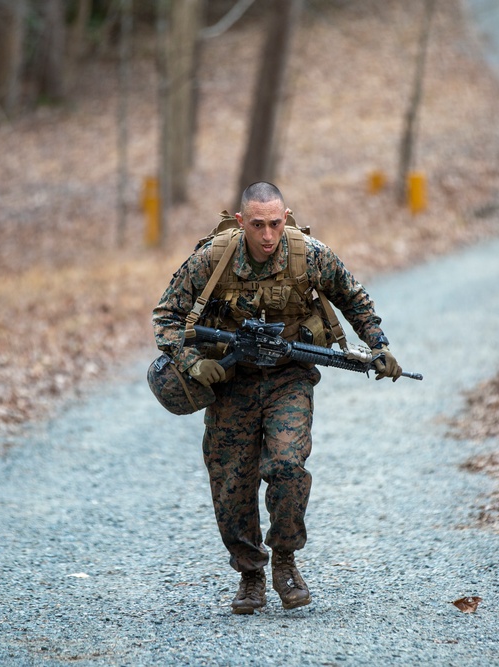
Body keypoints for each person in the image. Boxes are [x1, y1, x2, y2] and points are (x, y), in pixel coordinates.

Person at [151, 182, 403, 615]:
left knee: (287, 466)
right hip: (232, 381)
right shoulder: (213, 260)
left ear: (286, 217)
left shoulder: (310, 255)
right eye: (257, 225)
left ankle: (285, 562)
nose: (267, 235)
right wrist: (194, 364)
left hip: (289, 377)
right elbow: (166, 318)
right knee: (231, 482)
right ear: (239, 221)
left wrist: (377, 345)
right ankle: (250, 575)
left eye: (275, 223)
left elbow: (354, 298)